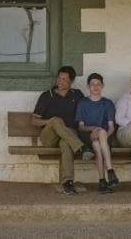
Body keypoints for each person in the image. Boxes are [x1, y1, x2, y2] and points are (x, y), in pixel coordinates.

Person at [32, 65, 91, 195]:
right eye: (59, 78)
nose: (60, 82)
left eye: (64, 79)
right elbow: (34, 121)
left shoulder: (77, 95)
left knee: (66, 144)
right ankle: (81, 147)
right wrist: (51, 121)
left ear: (72, 81)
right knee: (56, 120)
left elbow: (87, 112)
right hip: (49, 136)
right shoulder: (47, 96)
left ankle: (67, 183)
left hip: (69, 135)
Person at [75, 73, 118, 193]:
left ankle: (102, 181)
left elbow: (111, 127)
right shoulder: (83, 103)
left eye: (98, 84)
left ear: (102, 86)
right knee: (98, 135)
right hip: (87, 136)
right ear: (88, 86)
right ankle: (110, 170)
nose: (95, 86)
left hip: (104, 138)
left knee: (97, 145)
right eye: (92, 84)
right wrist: (95, 129)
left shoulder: (107, 103)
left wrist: (103, 136)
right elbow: (81, 127)